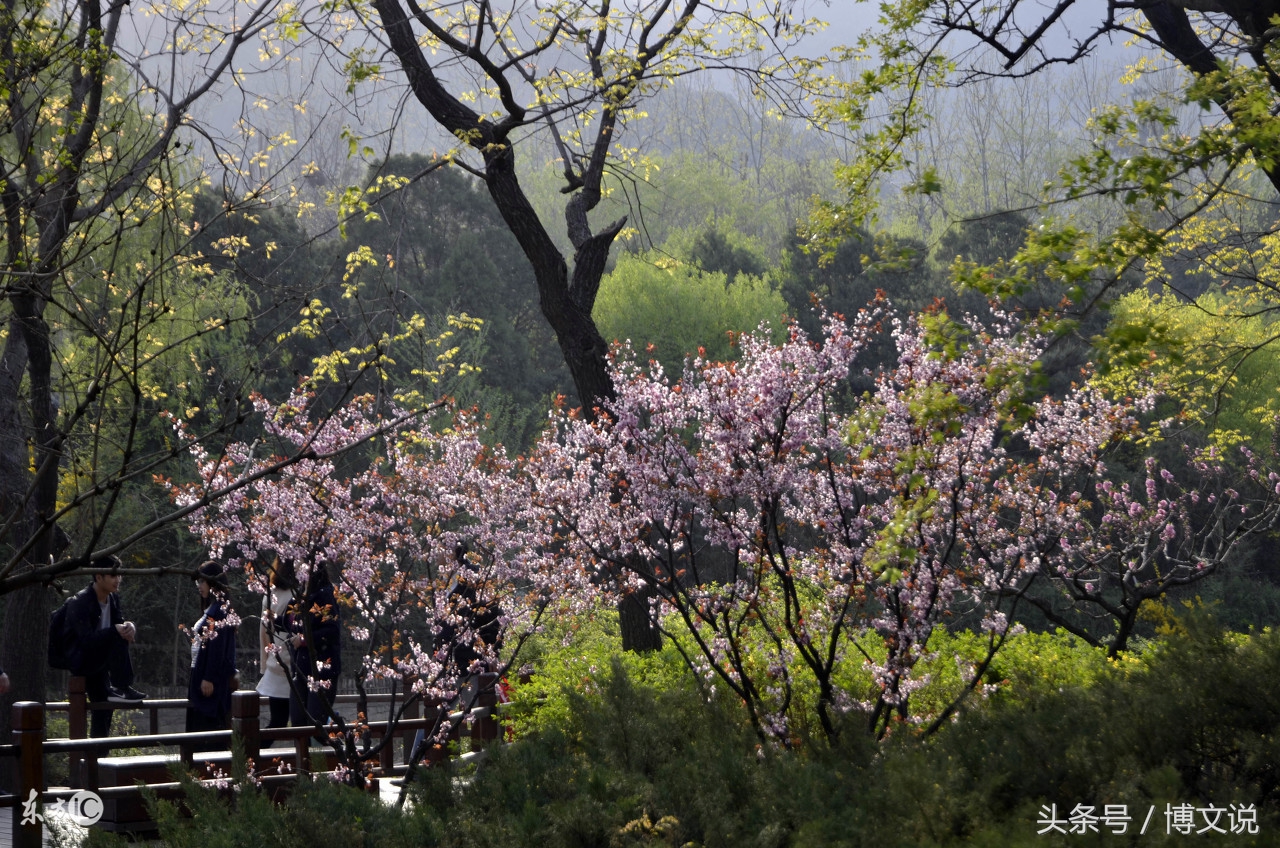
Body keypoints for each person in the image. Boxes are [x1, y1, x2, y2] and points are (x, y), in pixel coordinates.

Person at [63, 555, 146, 738]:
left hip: (102, 662)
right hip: (82, 660)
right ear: (99, 577)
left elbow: (118, 624)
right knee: (102, 704)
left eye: (119, 575)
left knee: (104, 709)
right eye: (113, 575)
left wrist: (129, 627)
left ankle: (97, 755)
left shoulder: (113, 599)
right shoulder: (81, 602)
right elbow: (86, 640)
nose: (118, 580)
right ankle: (122, 686)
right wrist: (115, 630)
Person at [185, 561, 238, 749]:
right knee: (197, 731)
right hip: (200, 674)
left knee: (205, 734)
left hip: (209, 681)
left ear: (213, 583)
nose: (199, 586)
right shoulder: (214, 609)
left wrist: (209, 677)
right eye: (197, 582)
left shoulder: (219, 611)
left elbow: (218, 648)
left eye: (202, 581)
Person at [288, 563, 341, 730]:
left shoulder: (325, 594)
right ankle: (304, 756)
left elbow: (332, 629)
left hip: (321, 668)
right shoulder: (299, 594)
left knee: (315, 723)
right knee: (297, 721)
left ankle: (340, 738)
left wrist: (304, 639)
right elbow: (289, 622)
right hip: (300, 667)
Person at [256, 557, 295, 736]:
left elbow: (264, 632)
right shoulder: (297, 594)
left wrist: (266, 663)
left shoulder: (270, 594)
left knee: (277, 721)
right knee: (301, 722)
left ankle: (252, 753)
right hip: (293, 664)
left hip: (276, 663)